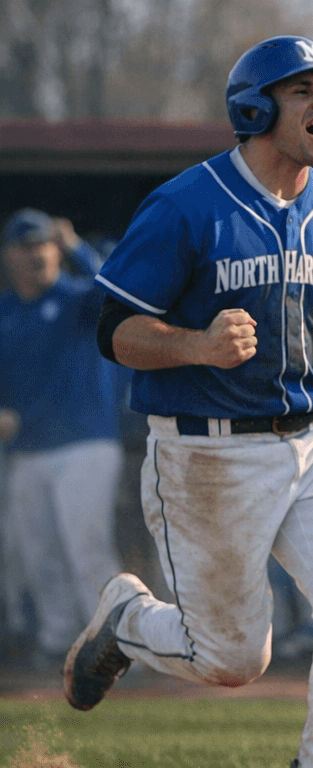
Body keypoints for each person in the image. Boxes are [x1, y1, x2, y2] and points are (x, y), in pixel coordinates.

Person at [72, 35, 313, 768]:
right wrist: (196, 343)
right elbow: (115, 331)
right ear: (254, 107)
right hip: (209, 450)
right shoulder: (188, 204)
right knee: (230, 660)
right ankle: (128, 618)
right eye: (304, 91)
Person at [0, 209, 123, 665]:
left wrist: (76, 247)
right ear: (9, 255)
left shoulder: (76, 299)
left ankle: (112, 646)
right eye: (25, 246)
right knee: (37, 554)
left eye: (42, 245)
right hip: (27, 450)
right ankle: (59, 642)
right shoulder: (6, 311)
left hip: (85, 444)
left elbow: (118, 290)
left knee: (86, 549)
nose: (35, 255)